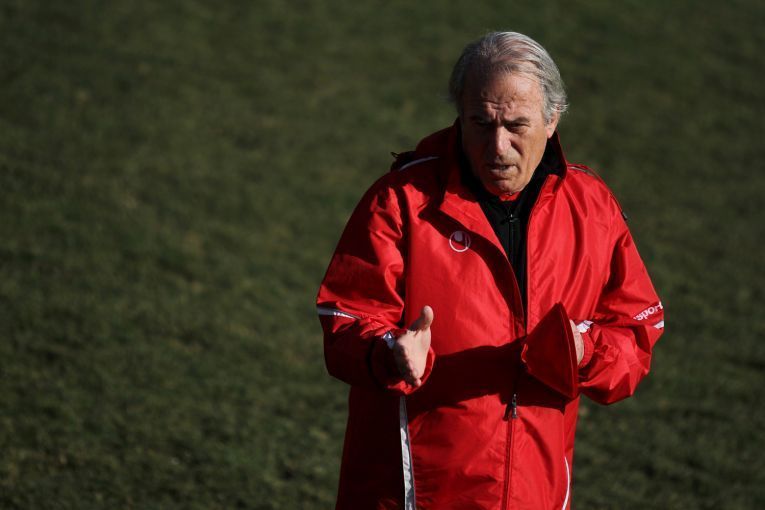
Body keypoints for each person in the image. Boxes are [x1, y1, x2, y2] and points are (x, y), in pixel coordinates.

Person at [316, 31, 664, 510]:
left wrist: (585, 350)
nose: (498, 146)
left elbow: (635, 331)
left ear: (552, 119)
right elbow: (345, 317)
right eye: (480, 123)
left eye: (516, 125)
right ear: (460, 115)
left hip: (535, 495)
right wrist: (388, 351)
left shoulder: (593, 210)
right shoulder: (400, 203)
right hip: (409, 496)